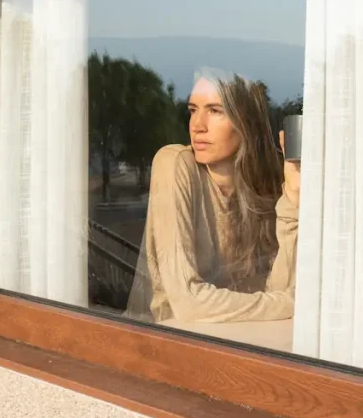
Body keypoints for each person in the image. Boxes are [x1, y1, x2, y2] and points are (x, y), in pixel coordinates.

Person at [125, 69, 300, 323]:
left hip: (242, 343)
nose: (197, 126)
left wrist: (293, 196)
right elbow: (187, 303)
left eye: (215, 111)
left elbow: (281, 291)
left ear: (245, 123)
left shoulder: (262, 188)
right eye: (193, 110)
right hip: (166, 344)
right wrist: (288, 303)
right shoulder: (174, 163)